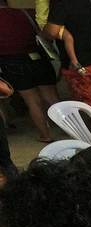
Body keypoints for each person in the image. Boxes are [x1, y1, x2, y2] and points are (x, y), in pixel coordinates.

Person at [0, 1, 60, 143]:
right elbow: (43, 33)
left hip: (12, 62)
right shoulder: (26, 13)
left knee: (32, 101)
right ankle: (71, 128)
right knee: (52, 98)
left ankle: (46, 135)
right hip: (38, 58)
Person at [42, 0, 91, 116]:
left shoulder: (60, 3)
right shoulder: (85, 2)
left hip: (76, 65)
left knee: (90, 105)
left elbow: (51, 31)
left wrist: (42, 27)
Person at [35, 0, 85, 74]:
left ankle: (63, 69)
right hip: (45, 23)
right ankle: (75, 63)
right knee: (68, 37)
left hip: (44, 21)